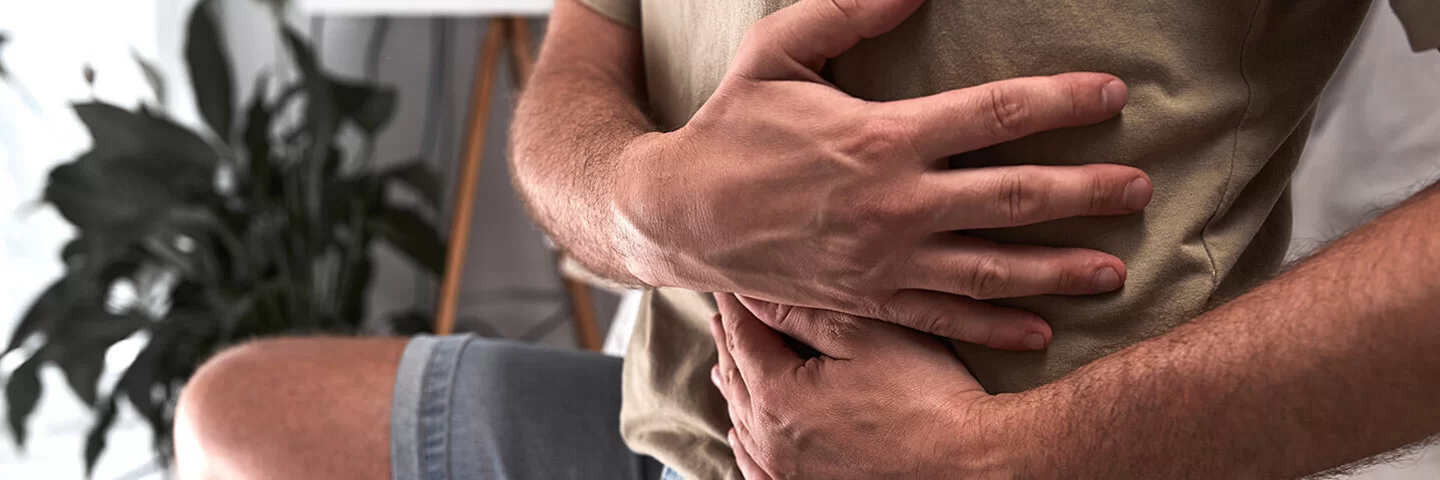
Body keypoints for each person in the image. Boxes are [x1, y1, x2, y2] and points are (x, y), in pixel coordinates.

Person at [171, 0, 1440, 479]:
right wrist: (639, 204)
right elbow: (585, 43)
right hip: (681, 437)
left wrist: (1004, 458)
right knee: (238, 414)